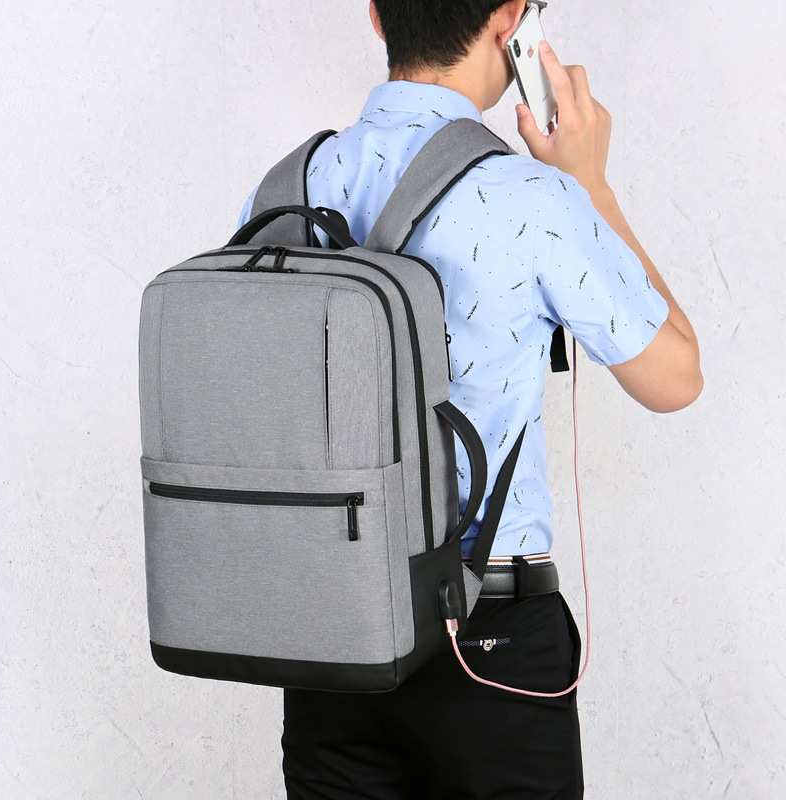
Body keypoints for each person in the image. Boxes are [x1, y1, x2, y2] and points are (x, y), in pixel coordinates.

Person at [239, 1, 703, 797]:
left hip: (329, 634)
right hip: (488, 636)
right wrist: (591, 184)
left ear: (378, 16)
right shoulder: (531, 197)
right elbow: (676, 377)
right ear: (510, 19)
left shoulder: (289, 185)